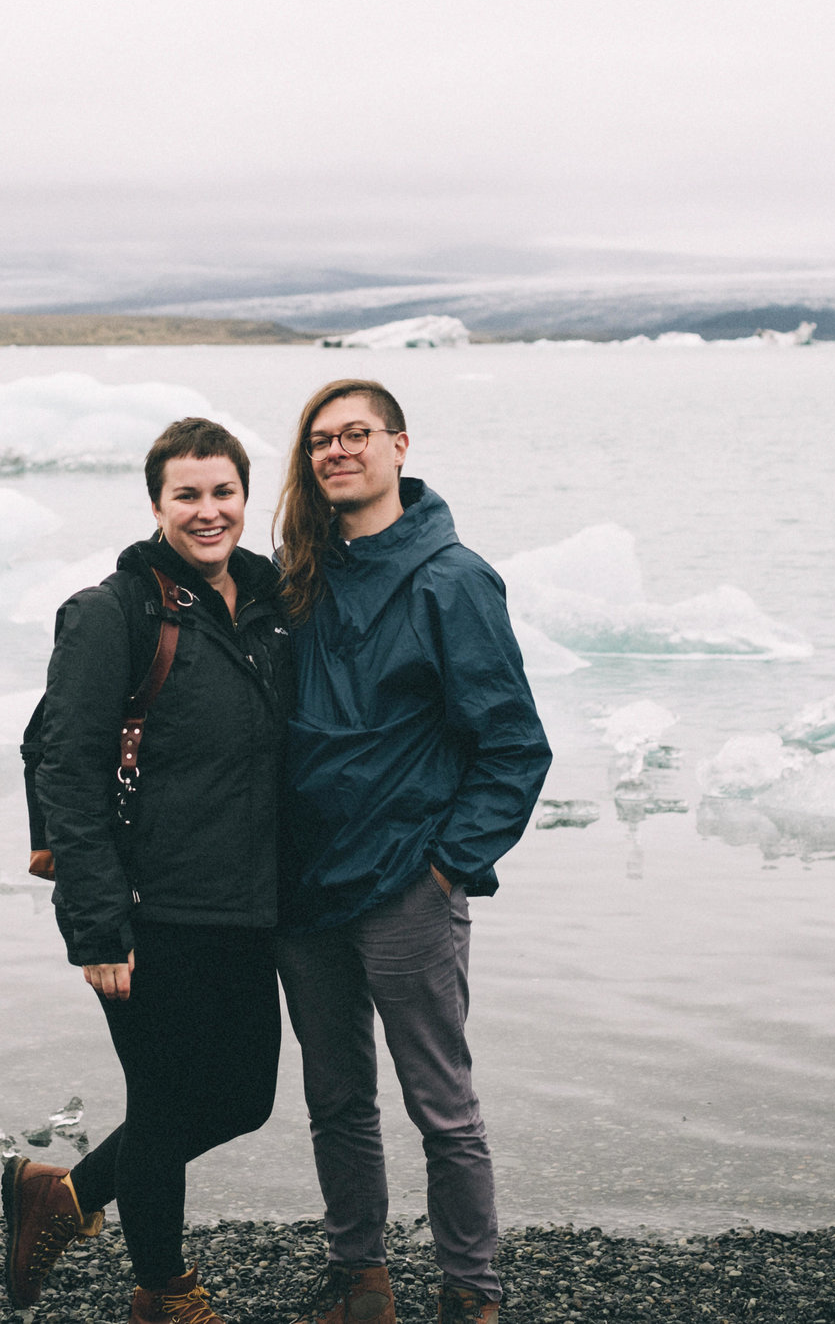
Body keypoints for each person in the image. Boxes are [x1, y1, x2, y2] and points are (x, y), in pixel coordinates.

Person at [271, 379, 552, 1324]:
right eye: (321, 439)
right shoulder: (297, 573)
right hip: (305, 887)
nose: (337, 451)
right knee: (337, 1097)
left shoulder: (452, 577)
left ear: (399, 445)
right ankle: (360, 1278)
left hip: (404, 886)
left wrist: (446, 863)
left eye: (356, 434)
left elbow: (515, 744)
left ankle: (471, 1291)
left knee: (442, 1103)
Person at [4, 417, 293, 1324]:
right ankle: (164, 1294)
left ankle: (68, 1195)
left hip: (248, 904)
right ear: (157, 504)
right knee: (166, 1103)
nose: (209, 511)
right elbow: (63, 764)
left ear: (247, 497)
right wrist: (96, 926)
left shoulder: (272, 605)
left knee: (244, 1098)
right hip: (147, 909)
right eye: (188, 494)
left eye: (224, 492)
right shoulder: (113, 612)